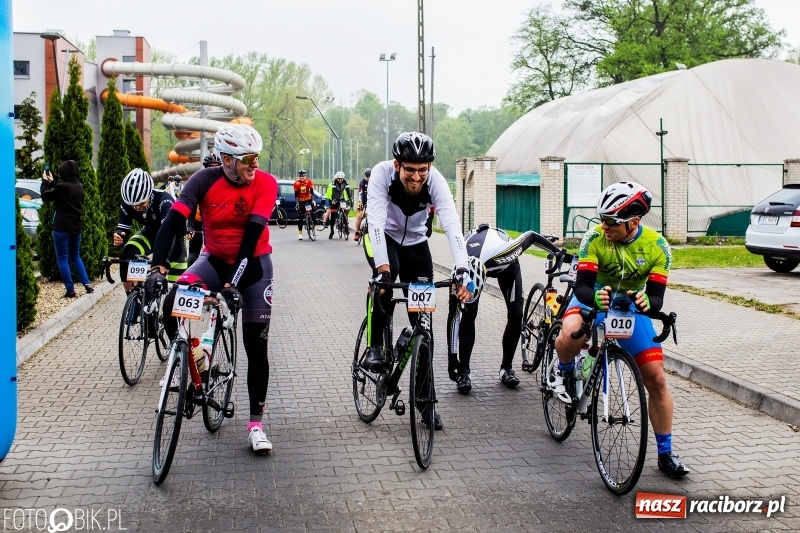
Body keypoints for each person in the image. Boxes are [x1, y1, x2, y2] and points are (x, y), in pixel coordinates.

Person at [145, 124, 278, 455]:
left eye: (256, 157)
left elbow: (250, 239)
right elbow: (173, 223)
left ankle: (256, 425)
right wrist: (158, 269)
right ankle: (195, 360)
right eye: (247, 158)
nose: (254, 164)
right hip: (213, 261)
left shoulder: (265, 183)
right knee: (172, 303)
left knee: (256, 346)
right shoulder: (203, 180)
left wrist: (233, 285)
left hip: (254, 267)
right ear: (227, 160)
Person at [551, 181, 689, 478]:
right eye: (602, 218)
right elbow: (584, 286)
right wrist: (594, 298)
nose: (604, 226)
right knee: (570, 333)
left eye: (611, 221)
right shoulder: (594, 238)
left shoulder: (658, 246)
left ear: (634, 222)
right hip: (594, 298)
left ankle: (665, 453)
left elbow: (656, 298)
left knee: (658, 379)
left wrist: (646, 302)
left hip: (628, 309)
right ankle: (563, 370)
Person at [361, 131, 474, 431]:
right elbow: (374, 221)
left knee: (424, 325)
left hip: (416, 244)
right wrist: (382, 269)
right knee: (383, 284)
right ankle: (375, 346)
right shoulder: (382, 175)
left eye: (422, 171)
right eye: (409, 170)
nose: (415, 177)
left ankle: (425, 402)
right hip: (382, 238)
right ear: (397, 165)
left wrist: (461, 268)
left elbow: (451, 223)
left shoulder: (435, 181)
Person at [446, 225, 562, 393]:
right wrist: (451, 358)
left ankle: (506, 368)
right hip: (470, 269)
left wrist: (557, 251)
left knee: (516, 315)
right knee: (467, 314)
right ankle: (464, 372)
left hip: (506, 265)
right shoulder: (458, 269)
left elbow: (531, 236)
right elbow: (453, 317)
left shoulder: (506, 251)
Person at [113, 168, 187, 296]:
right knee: (126, 255)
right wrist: (120, 236)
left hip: (173, 239)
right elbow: (123, 229)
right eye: (133, 205)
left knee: (175, 296)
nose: (136, 208)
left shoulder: (164, 201)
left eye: (141, 203)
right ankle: (133, 299)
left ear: (149, 195)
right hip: (151, 234)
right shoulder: (128, 203)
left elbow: (168, 233)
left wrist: (163, 261)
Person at [40, 160, 94, 298]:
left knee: (62, 259)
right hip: (76, 228)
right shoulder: (79, 187)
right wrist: (53, 183)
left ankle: (70, 290)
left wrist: (45, 182)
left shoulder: (63, 187)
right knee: (75, 256)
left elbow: (46, 196)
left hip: (61, 228)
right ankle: (87, 284)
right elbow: (62, 192)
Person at [187, 154, 223, 266]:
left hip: (214, 221)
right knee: (193, 252)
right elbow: (192, 205)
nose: (213, 169)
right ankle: (189, 275)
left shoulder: (223, 182)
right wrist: (190, 226)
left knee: (214, 252)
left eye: (216, 166)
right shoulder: (199, 180)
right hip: (198, 221)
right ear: (205, 167)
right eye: (210, 166)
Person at [324, 171, 351, 239]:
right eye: (339, 178)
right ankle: (332, 231)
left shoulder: (345, 183)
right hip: (335, 199)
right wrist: (333, 200)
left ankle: (345, 227)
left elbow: (348, 191)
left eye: (341, 178)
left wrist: (350, 199)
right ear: (336, 178)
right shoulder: (334, 183)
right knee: (333, 216)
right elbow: (333, 192)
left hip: (342, 199)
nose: (340, 180)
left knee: (345, 211)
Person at [293, 169, 317, 240]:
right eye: (300, 176)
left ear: (305, 176)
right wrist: (297, 203)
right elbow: (296, 195)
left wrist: (313, 200)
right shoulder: (296, 184)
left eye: (303, 176)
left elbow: (312, 192)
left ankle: (314, 228)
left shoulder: (309, 182)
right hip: (301, 201)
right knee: (300, 218)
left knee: (313, 215)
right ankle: (300, 233)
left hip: (308, 200)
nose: (302, 178)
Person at [353, 168, 370, 243]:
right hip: (362, 201)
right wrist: (361, 203)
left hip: (370, 202)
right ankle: (356, 232)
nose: (369, 177)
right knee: (359, 215)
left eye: (370, 175)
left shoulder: (374, 182)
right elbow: (360, 193)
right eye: (367, 175)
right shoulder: (362, 183)